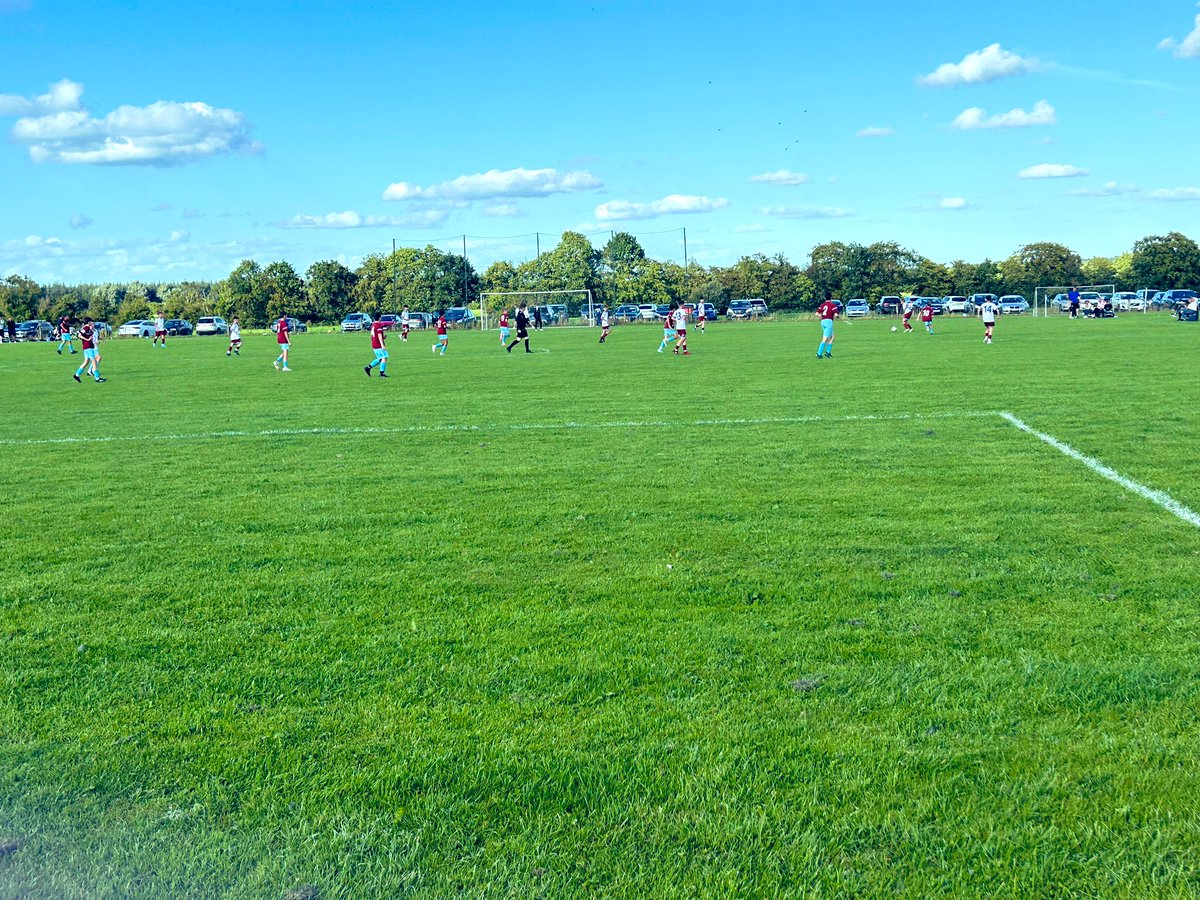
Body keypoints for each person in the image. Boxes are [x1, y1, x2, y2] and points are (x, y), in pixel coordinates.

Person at [73, 318, 106, 383]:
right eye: (91, 321)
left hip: (88, 347)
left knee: (86, 362)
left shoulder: (89, 328)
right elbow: (79, 335)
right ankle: (97, 378)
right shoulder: (86, 328)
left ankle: (77, 375)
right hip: (88, 347)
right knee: (94, 361)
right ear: (88, 322)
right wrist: (87, 339)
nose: (92, 323)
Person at [816, 292, 837, 359]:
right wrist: (836, 316)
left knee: (832, 336)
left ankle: (827, 352)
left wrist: (822, 317)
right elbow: (836, 314)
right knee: (825, 338)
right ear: (831, 298)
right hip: (828, 322)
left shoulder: (822, 305)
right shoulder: (833, 305)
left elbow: (817, 313)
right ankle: (819, 353)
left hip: (823, 322)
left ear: (825, 298)